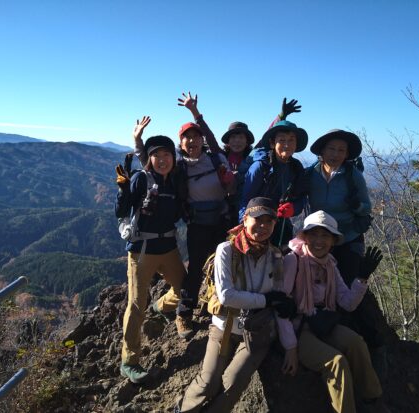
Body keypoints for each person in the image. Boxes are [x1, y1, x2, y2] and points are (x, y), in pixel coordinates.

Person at [176, 197, 294, 413]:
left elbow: (279, 296)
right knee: (208, 383)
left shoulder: (276, 256)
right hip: (224, 326)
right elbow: (227, 296)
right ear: (245, 219)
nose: (263, 226)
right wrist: (266, 300)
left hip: (257, 331)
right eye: (258, 219)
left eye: (269, 221)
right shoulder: (227, 250)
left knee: (232, 383)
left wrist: (290, 345)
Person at [133, 92, 235, 339]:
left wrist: (195, 113)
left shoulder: (215, 157)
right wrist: (138, 140)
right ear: (181, 143)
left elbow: (211, 137)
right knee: (197, 268)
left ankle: (217, 304)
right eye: (187, 138)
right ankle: (183, 314)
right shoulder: (178, 166)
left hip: (222, 221)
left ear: (202, 140)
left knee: (224, 265)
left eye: (196, 137)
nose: (193, 141)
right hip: (197, 224)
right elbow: (151, 164)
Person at [277, 210, 387, 413]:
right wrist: (290, 348)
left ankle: (372, 399)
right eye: (314, 234)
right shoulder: (294, 260)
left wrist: (361, 278)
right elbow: (280, 307)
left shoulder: (330, 265)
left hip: (323, 323)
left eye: (325, 235)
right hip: (299, 329)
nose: (319, 241)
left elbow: (347, 303)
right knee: (337, 362)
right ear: (305, 237)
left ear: (333, 241)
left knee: (356, 343)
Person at [306, 130, 395, 356]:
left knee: (348, 285)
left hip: (348, 237)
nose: (335, 154)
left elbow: (366, 208)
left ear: (347, 154)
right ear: (322, 151)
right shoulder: (311, 174)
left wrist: (356, 205)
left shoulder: (352, 175)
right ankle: (325, 331)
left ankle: (371, 340)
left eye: (341, 150)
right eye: (331, 149)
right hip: (320, 238)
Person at [115, 132, 187, 384]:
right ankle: (129, 361)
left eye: (167, 154)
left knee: (185, 289)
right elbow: (121, 211)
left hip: (168, 247)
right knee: (137, 305)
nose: (162, 159)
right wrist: (123, 190)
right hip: (142, 250)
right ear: (150, 158)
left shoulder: (175, 181)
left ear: (173, 158)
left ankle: (161, 307)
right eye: (157, 155)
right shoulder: (140, 179)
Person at [240, 116, 308, 250]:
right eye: (282, 140)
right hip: (257, 225)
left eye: (291, 140)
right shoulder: (260, 167)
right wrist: (244, 226)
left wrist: (294, 208)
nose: (287, 145)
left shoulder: (296, 168)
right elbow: (245, 200)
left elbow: (301, 197)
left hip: (280, 226)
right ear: (272, 143)